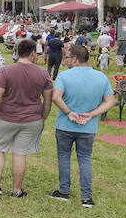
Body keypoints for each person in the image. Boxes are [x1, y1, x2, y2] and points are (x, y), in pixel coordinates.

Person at [49, 45, 116, 208]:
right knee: (85, 159)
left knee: (64, 157)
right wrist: (92, 114)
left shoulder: (64, 76)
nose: (66, 60)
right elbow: (110, 101)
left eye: (68, 58)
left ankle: (64, 191)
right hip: (88, 127)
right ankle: (86, 198)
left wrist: (68, 112)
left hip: (65, 125)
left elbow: (55, 97)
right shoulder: (101, 77)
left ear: (75, 59)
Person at [0, 39, 53, 199]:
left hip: (6, 117)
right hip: (32, 119)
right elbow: (47, 100)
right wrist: (42, 117)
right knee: (20, 154)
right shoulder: (43, 73)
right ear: (33, 53)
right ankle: (17, 190)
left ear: (16, 51)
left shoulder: (6, 71)